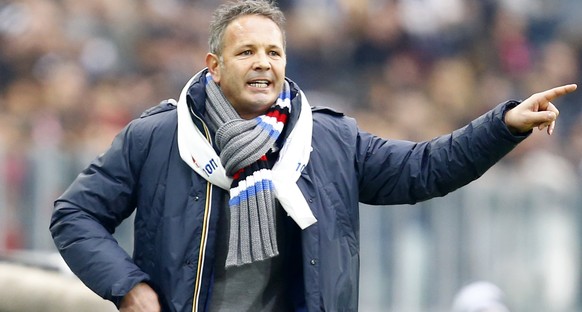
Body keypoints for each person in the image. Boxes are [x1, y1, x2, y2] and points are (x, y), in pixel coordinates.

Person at [49, 1, 577, 311]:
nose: (263, 63)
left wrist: (503, 125)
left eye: (273, 52)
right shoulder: (159, 136)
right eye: (247, 52)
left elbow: (424, 168)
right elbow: (74, 215)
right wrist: (129, 287)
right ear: (213, 65)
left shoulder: (327, 140)